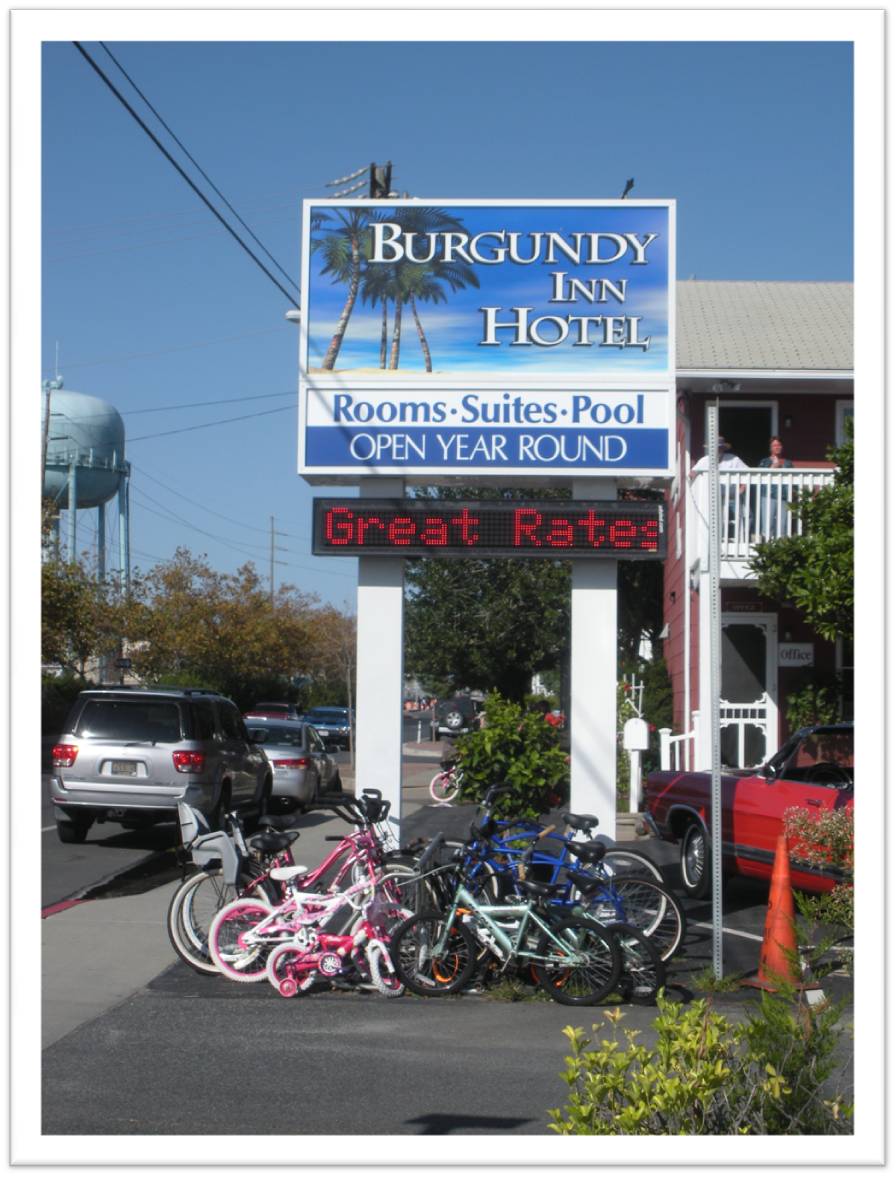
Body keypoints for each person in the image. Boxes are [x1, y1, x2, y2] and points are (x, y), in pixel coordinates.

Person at [690, 436, 748, 537]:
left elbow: (747, 472)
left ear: (723, 449)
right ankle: (717, 538)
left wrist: (742, 487)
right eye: (715, 448)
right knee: (716, 518)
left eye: (720, 448)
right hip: (712, 497)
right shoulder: (705, 460)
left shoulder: (733, 459)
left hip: (732, 496)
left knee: (746, 516)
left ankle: (740, 538)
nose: (717, 450)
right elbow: (692, 474)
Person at [758, 435, 794, 537]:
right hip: (768, 495)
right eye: (774, 445)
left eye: (779, 445)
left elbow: (793, 479)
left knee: (783, 524)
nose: (777, 447)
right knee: (767, 523)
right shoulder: (764, 461)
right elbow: (759, 476)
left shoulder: (788, 463)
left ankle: (781, 547)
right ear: (770, 448)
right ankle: (768, 547)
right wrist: (773, 467)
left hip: (784, 496)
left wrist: (793, 493)